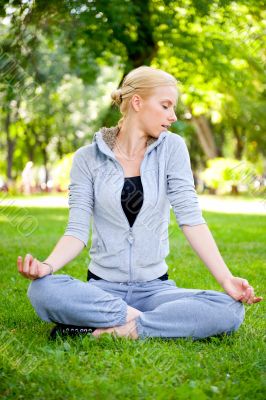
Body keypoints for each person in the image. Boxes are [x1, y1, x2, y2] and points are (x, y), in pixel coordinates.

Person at [17, 66, 262, 340]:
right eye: (166, 105)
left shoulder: (172, 149)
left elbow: (191, 218)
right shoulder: (88, 159)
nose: (174, 116)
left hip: (156, 291)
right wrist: (47, 267)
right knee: (41, 290)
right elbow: (76, 231)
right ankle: (142, 322)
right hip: (102, 289)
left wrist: (226, 279)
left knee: (230, 310)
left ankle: (111, 330)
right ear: (137, 102)